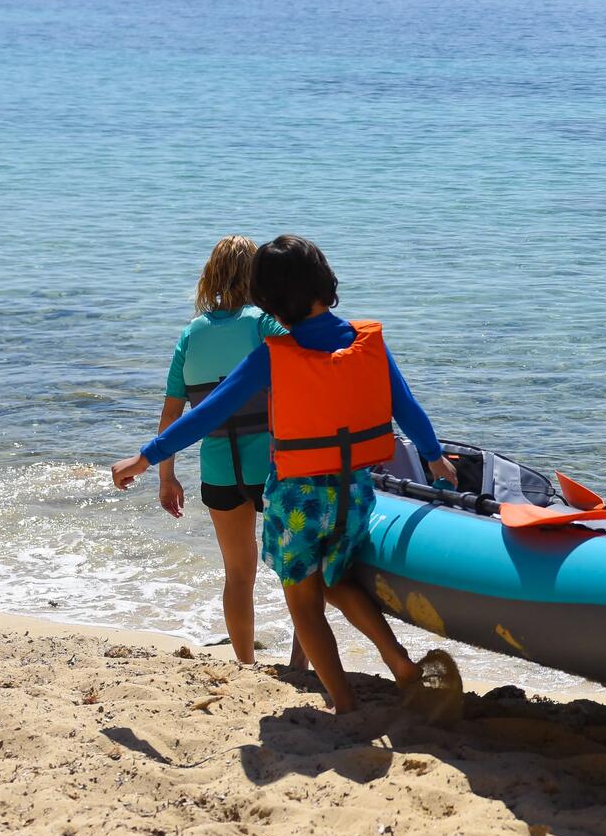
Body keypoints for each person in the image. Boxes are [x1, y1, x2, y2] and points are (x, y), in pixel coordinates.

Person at [113, 236, 458, 714]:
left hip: (298, 501)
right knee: (337, 582)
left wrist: (146, 458)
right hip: (353, 493)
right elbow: (406, 407)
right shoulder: (365, 342)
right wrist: (434, 455)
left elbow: (206, 414)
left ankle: (344, 703)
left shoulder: (274, 355)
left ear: (268, 301)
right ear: (326, 282)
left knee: (304, 602)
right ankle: (399, 663)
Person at [157, 235, 285, 665]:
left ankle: (245, 662)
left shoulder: (191, 334)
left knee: (237, 574)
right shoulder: (264, 323)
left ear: (209, 276)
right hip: (271, 467)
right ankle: (301, 665)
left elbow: (172, 413)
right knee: (298, 573)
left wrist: (166, 474)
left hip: (218, 471)